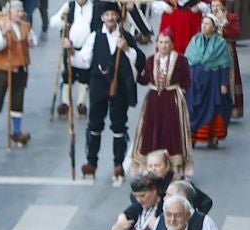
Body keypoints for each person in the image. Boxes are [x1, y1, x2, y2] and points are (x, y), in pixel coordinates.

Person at [72, 3, 139, 183]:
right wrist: (70, 51)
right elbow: (83, 61)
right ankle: (91, 163)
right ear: (102, 17)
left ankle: (118, 164)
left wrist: (126, 49)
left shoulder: (126, 37)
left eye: (113, 14)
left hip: (119, 88)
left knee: (119, 125)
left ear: (118, 17)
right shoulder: (94, 37)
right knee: (94, 124)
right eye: (106, 15)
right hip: (98, 86)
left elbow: (138, 62)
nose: (110, 18)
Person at [137, 32, 193, 172]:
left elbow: (186, 81)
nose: (163, 46)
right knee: (152, 130)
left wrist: (180, 94)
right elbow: (144, 80)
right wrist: (133, 69)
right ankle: (152, 166)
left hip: (172, 100)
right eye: (160, 42)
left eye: (166, 42)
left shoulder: (181, 60)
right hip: (154, 101)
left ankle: (174, 167)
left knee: (172, 132)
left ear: (172, 44)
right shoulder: (150, 60)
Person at [0, 3, 33, 147]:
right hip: (3, 69)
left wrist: (30, 41)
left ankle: (17, 132)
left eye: (21, 10)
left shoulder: (24, 26)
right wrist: (4, 33)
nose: (20, 13)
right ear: (9, 12)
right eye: (17, 10)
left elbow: (32, 41)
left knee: (17, 101)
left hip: (20, 69)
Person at [186, 13, 232, 146]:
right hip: (194, 81)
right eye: (203, 23)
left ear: (213, 27)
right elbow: (188, 60)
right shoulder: (195, 40)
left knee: (213, 109)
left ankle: (212, 137)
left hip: (213, 82)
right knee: (193, 108)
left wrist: (224, 84)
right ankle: (193, 137)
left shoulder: (221, 44)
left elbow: (224, 65)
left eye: (207, 24)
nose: (203, 26)